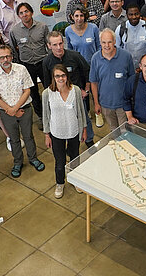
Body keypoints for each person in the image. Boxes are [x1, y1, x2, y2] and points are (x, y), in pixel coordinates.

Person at [0, 44, 45, 178]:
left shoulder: (21, 69)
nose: (5, 60)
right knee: (13, 139)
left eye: (8, 56)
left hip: (24, 109)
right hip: (6, 112)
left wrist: (16, 108)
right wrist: (11, 110)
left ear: (12, 56)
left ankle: (33, 158)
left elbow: (27, 91)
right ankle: (18, 162)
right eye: (2, 57)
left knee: (28, 136)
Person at [42, 31, 93, 147]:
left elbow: (87, 71)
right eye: (55, 45)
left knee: (84, 119)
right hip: (58, 99)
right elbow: (47, 83)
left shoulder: (75, 56)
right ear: (49, 46)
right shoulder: (46, 62)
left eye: (60, 43)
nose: (59, 47)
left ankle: (89, 140)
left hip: (77, 97)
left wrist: (86, 90)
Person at [42, 64, 86, 199]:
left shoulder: (76, 90)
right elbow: (45, 115)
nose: (60, 78)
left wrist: (83, 129)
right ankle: (60, 183)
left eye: (63, 75)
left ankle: (75, 180)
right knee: (60, 163)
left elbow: (81, 112)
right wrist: (47, 135)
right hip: (56, 133)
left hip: (73, 131)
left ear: (67, 76)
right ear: (53, 77)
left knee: (74, 158)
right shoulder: (47, 93)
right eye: (57, 76)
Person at [10, 2, 49, 123]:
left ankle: (51, 112)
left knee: (49, 89)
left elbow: (49, 45)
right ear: (18, 16)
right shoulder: (14, 31)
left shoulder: (42, 27)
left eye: (26, 11)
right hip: (27, 66)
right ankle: (41, 116)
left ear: (31, 12)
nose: (24, 14)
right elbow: (13, 49)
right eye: (21, 13)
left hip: (42, 62)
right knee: (33, 93)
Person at [89, 29, 135, 129]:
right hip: (105, 105)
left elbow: (132, 80)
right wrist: (96, 103)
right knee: (113, 131)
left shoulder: (126, 56)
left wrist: (131, 102)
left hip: (123, 105)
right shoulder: (95, 58)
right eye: (104, 42)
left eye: (109, 42)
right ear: (100, 42)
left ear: (114, 41)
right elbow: (94, 82)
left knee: (125, 132)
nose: (107, 45)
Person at [115, 4, 146, 69]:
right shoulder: (121, 29)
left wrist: (145, 66)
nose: (134, 17)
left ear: (140, 14)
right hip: (126, 67)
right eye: (131, 14)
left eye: (136, 14)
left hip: (145, 69)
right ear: (127, 15)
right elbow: (117, 50)